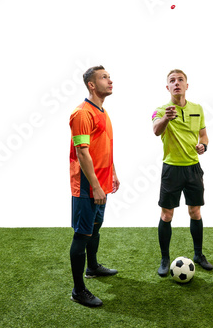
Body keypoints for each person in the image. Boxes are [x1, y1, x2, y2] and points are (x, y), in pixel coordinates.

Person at [151, 69, 213, 276]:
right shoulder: (161, 111)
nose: (176, 83)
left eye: (180, 80)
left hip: (193, 168)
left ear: (187, 85)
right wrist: (167, 119)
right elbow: (156, 130)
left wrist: (203, 146)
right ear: (167, 87)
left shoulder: (198, 109)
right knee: (167, 215)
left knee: (195, 212)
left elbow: (203, 135)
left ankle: (198, 254)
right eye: (172, 81)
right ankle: (164, 258)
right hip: (172, 169)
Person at [68, 65, 119, 307]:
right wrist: (96, 186)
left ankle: (93, 267)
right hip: (88, 186)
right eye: (104, 77)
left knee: (95, 228)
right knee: (82, 234)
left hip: (102, 183)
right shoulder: (82, 113)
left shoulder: (103, 112)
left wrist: (113, 174)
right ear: (91, 84)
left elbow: (105, 147)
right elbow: (82, 152)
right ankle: (78, 290)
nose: (110, 81)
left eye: (109, 76)